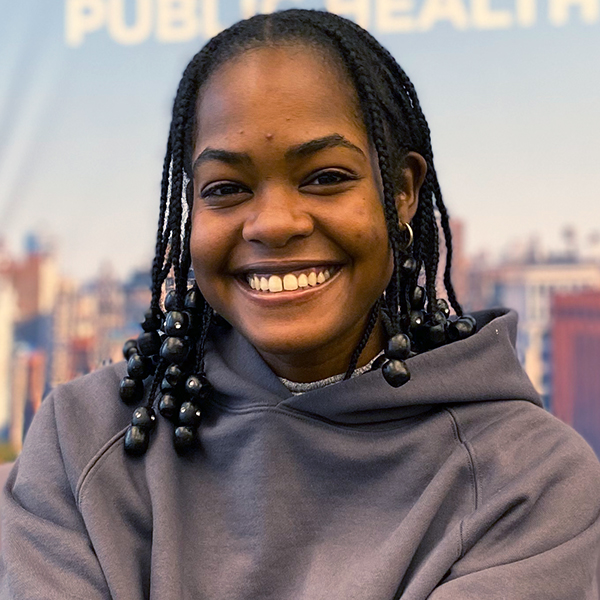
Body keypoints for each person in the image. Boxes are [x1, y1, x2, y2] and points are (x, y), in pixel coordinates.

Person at [1, 9, 599, 599]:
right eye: (226, 188)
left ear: (402, 191)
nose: (274, 223)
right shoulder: (81, 440)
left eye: (325, 177)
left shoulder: (527, 478)